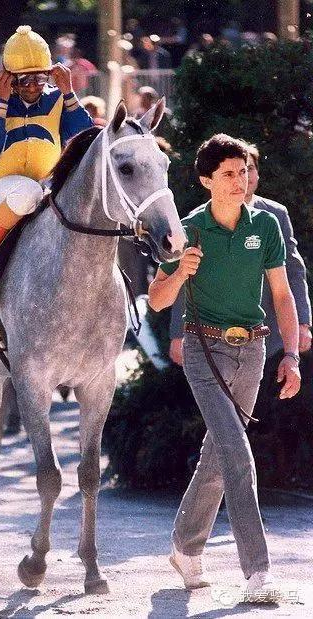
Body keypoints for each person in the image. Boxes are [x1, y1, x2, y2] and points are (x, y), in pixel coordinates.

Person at [148, 134, 301, 600]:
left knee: (218, 455)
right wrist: (180, 271)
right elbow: (156, 300)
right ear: (206, 180)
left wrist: (291, 355)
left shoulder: (266, 225)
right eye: (230, 174)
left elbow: (282, 295)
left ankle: (184, 545)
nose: (241, 181)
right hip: (204, 351)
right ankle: (258, 571)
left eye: (245, 171)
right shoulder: (188, 230)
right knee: (236, 454)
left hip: (252, 351)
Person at [0, 25, 93, 281]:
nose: (33, 87)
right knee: (28, 191)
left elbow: (85, 139)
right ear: (8, 77)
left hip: (45, 188)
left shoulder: (58, 99)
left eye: (40, 79)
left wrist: (69, 93)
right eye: (24, 80)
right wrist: (1, 103)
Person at [169, 143, 311, 365]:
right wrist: (178, 332)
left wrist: (302, 321)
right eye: (230, 173)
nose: (243, 177)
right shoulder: (196, 222)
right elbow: (186, 280)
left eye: (248, 169)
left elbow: (293, 271)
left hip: (270, 334)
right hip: (215, 337)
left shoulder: (275, 216)